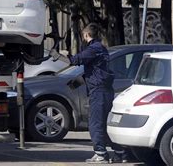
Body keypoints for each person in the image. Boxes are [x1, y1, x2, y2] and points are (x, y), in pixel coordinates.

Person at [50, 23, 128, 164]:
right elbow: (94, 71)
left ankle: (101, 155)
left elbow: (74, 61)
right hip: (104, 90)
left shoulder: (93, 49)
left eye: (83, 36)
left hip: (98, 92)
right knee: (104, 125)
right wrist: (77, 83)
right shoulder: (101, 49)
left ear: (86, 35)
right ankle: (120, 153)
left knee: (95, 124)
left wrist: (57, 56)